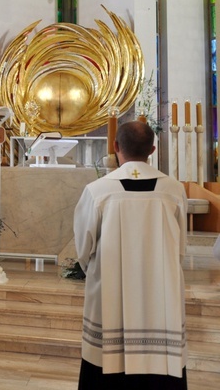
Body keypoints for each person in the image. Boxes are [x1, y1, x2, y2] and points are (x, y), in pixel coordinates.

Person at [74, 121, 188, 389]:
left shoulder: (98, 191)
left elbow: (83, 249)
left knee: (105, 358)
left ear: (115, 147)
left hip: (109, 297)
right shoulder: (174, 190)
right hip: (161, 298)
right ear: (152, 149)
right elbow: (180, 247)